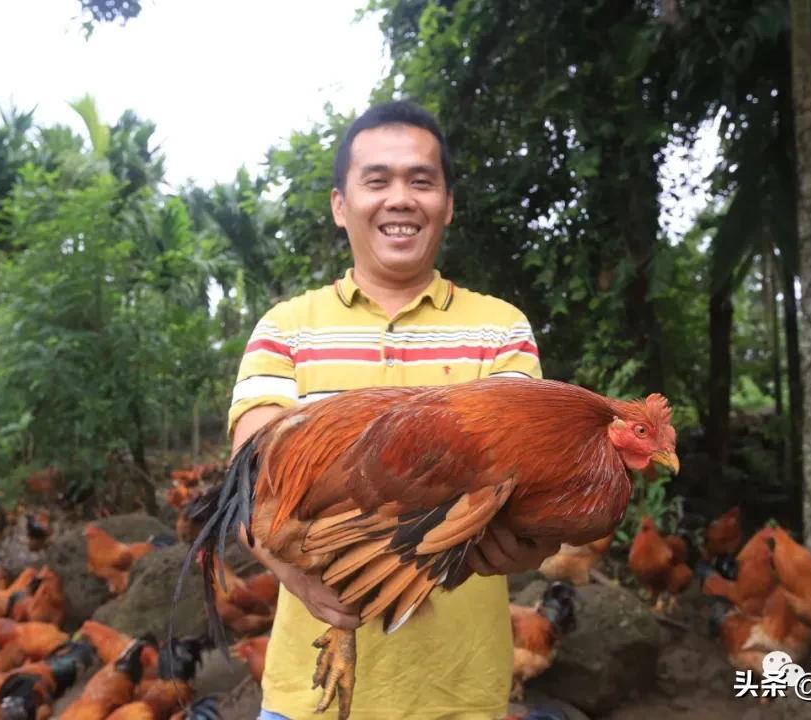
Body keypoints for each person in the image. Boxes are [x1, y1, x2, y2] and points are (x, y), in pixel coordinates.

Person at [227, 101, 561, 720]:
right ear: (339, 205)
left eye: (421, 181)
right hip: (310, 698)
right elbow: (253, 479)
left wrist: (527, 544)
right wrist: (296, 572)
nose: (400, 198)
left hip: (457, 695)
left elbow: (525, 494)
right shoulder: (285, 329)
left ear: (448, 205)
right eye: (377, 180)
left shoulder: (501, 330)